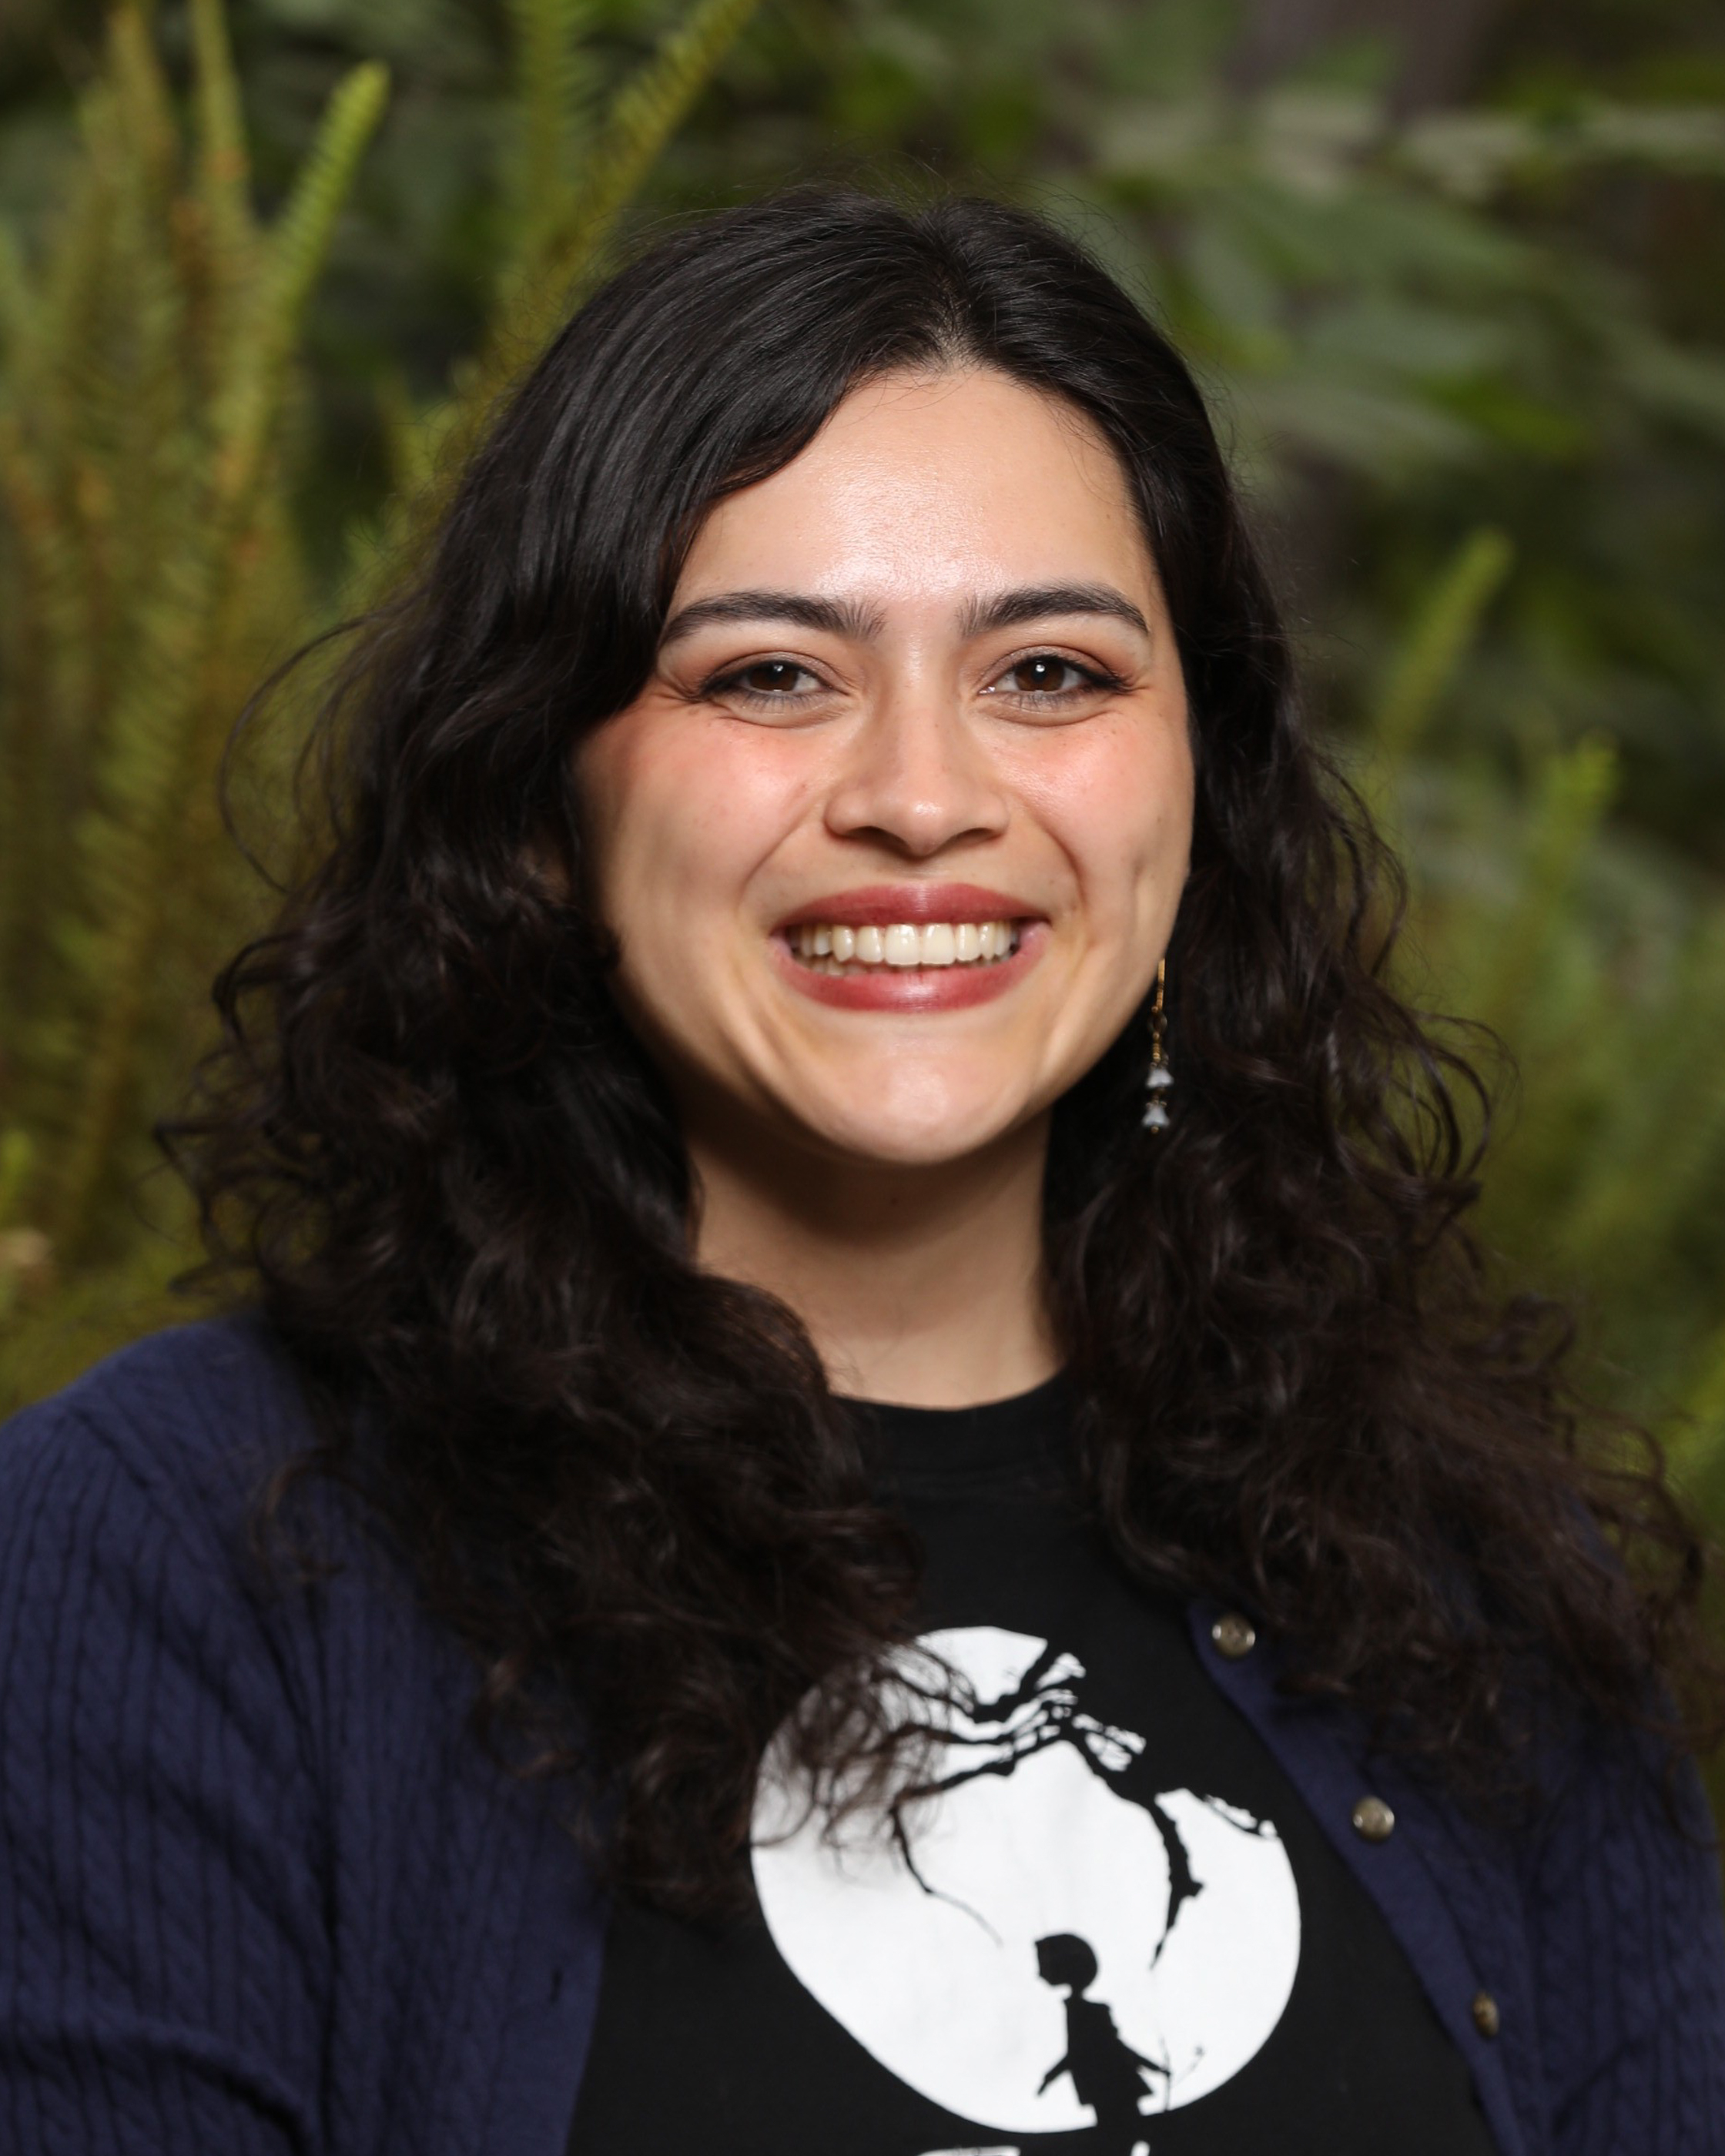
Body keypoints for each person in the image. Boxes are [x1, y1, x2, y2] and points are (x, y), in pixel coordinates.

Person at [0, 189, 1720, 2156]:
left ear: (1200, 789)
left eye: (1050, 672)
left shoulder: (1468, 1582)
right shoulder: (168, 1558)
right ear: (543, 804)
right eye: (769, 675)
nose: (921, 795)